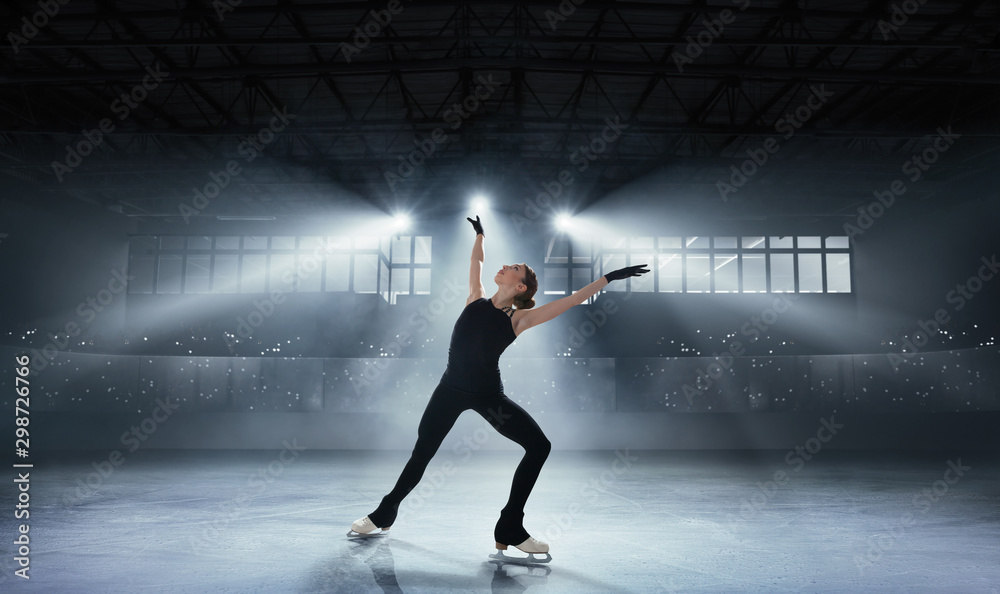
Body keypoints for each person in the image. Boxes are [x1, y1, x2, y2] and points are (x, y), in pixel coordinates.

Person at [349, 215, 648, 558]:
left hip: (489, 396)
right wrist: (480, 235)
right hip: (449, 390)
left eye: (514, 267)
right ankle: (385, 512)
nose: (504, 266)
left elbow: (572, 300)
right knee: (422, 453)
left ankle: (510, 526)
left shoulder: (519, 319)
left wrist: (608, 278)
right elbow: (476, 260)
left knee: (539, 446)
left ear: (520, 287)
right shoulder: (474, 298)